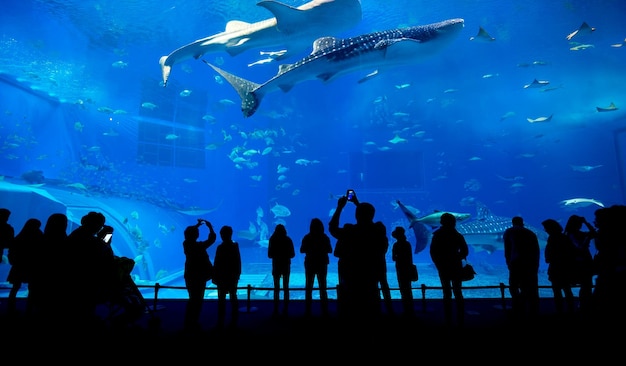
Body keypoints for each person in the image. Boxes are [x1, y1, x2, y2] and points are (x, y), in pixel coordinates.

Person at [329, 191, 387, 321]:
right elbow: (367, 220)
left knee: (352, 306)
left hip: (352, 275)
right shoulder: (378, 230)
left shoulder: (350, 231)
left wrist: (339, 207)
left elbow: (332, 228)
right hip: (371, 274)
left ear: (356, 215)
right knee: (371, 304)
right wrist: (357, 204)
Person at [64, 211, 114, 328]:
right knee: (83, 310)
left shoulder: (77, 234)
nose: (99, 228)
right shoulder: (88, 239)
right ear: (95, 225)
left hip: (74, 281)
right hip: (84, 283)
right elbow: (105, 252)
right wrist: (107, 235)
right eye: (99, 225)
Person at [429, 212, 469, 326]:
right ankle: (460, 316)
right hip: (455, 265)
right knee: (458, 291)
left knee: (446, 292)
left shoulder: (437, 235)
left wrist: (438, 264)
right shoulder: (458, 235)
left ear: (441, 222)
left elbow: (433, 252)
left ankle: (448, 317)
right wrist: (458, 258)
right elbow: (465, 251)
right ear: (454, 222)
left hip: (443, 266)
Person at [30, 212, 68, 322]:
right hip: (56, 279)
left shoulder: (41, 238)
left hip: (38, 276)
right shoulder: (64, 240)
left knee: (37, 301)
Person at [182, 218, 216, 332]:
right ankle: (194, 321)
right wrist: (210, 227)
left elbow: (189, 234)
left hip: (189, 275)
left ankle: (188, 321)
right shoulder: (199, 246)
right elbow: (211, 239)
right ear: (196, 235)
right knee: (198, 299)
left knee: (192, 298)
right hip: (199, 276)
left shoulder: (186, 244)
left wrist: (196, 226)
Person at [502, 216, 540, 320]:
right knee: (528, 287)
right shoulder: (531, 233)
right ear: (522, 222)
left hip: (516, 263)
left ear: (512, 222)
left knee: (514, 287)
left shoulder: (509, 231)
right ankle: (531, 311)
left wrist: (508, 262)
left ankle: (517, 306)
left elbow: (507, 249)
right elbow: (536, 251)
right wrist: (536, 265)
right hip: (530, 265)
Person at [6, 218, 42, 315]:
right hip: (32, 267)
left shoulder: (20, 236)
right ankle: (29, 309)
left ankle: (10, 308)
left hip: (19, 266)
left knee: (15, 287)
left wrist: (13, 262)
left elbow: (12, 251)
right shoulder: (39, 235)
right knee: (32, 288)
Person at [300, 217, 333, 317]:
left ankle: (308, 310)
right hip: (322, 263)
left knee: (309, 286)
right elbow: (330, 250)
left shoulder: (307, 237)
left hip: (310, 263)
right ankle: (325, 310)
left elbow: (301, 250)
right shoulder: (325, 237)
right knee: (323, 287)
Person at [542, 218, 576, 315]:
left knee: (557, 291)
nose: (545, 230)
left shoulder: (552, 238)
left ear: (551, 228)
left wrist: (549, 258)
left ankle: (559, 311)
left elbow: (550, 253)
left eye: (546, 228)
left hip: (556, 267)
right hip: (565, 267)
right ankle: (571, 310)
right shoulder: (565, 237)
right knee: (567, 290)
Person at [563, 214, 595, 312]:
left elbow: (594, 233)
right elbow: (579, 247)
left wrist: (586, 222)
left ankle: (583, 305)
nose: (581, 225)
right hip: (577, 264)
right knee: (585, 285)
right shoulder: (570, 234)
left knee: (586, 286)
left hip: (582, 263)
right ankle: (579, 307)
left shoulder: (578, 234)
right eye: (579, 223)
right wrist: (587, 238)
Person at [212, 225, 241, 328]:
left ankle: (221, 321)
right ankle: (234, 319)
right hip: (231, 276)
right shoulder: (235, 245)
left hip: (222, 276)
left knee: (222, 298)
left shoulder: (220, 247)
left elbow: (216, 263)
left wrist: (214, 276)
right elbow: (238, 261)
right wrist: (237, 274)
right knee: (233, 296)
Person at [267, 223, 295, 317]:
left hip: (276, 266)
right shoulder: (288, 239)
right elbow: (292, 254)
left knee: (276, 288)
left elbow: (270, 255)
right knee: (286, 287)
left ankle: (275, 309)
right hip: (286, 265)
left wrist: (277, 255)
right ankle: (286, 309)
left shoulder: (272, 239)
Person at [391, 226, 415, 317]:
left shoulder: (396, 245)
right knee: (408, 289)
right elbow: (409, 258)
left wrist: (398, 257)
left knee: (403, 288)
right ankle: (410, 310)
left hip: (400, 268)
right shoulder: (407, 244)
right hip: (407, 268)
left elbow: (394, 258)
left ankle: (406, 310)